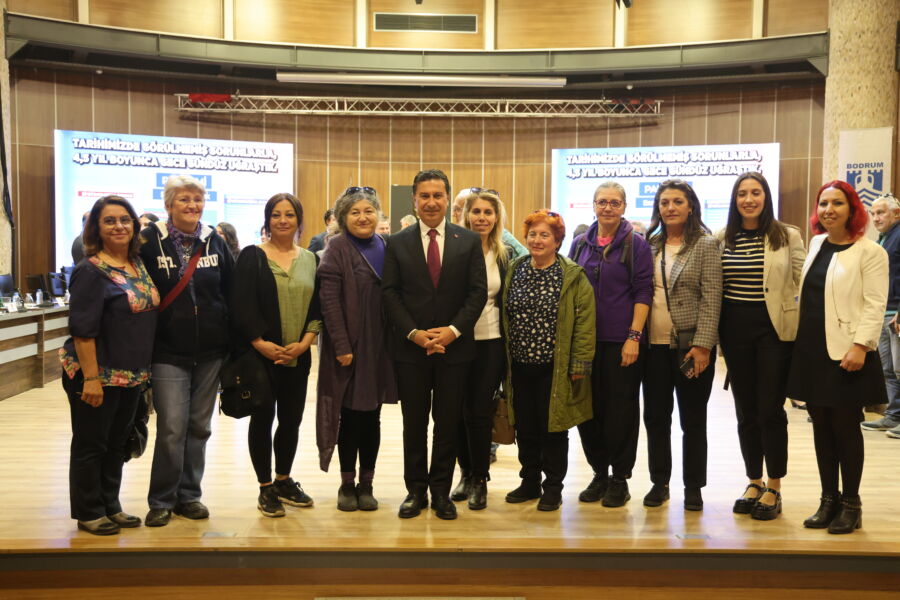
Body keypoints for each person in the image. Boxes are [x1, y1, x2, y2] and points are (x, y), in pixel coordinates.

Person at [382, 169, 487, 521]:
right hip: (410, 350)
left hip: (455, 350)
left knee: (446, 423)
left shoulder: (468, 241)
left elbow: (476, 294)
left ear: (447, 199)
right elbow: (390, 294)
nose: (430, 202)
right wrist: (414, 333)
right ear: (414, 200)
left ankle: (441, 491)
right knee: (413, 424)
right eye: (424, 196)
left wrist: (453, 331)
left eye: (437, 195)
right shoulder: (396, 242)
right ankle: (415, 491)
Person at [788, 181, 888, 535]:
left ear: (852, 209)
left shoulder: (870, 251)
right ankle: (828, 499)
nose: (829, 209)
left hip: (848, 353)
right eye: (824, 203)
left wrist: (861, 345)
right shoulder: (816, 244)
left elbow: (876, 304)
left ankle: (851, 504)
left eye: (837, 203)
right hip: (812, 349)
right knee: (821, 429)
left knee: (846, 429)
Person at [61, 195, 159, 535]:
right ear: (96, 229)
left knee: (117, 444)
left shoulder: (136, 264)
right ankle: (89, 511)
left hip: (132, 375)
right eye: (110, 221)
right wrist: (91, 379)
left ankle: (110, 504)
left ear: (134, 226)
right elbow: (83, 331)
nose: (119, 226)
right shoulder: (90, 270)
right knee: (92, 444)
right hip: (97, 374)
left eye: (125, 220)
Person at [140, 175, 234, 527]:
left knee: (199, 427)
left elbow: (230, 290)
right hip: (167, 352)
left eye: (197, 198)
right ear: (169, 206)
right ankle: (161, 499)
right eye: (184, 199)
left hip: (211, 352)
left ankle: (189, 496)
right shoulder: (149, 242)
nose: (192, 205)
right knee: (171, 428)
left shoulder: (214, 241)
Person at [717, 172, 805, 521]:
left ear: (766, 197)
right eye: (742, 194)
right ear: (735, 200)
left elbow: (803, 280)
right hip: (735, 331)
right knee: (745, 411)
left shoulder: (787, 235)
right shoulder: (723, 237)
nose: (749, 199)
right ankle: (753, 481)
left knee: (770, 410)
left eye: (755, 193)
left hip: (773, 332)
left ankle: (774, 485)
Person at [231, 193, 322, 517]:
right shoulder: (252, 256)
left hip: (298, 355)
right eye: (276, 215)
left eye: (289, 215)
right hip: (261, 356)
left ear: (299, 220)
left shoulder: (311, 259)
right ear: (267, 220)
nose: (283, 220)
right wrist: (260, 343)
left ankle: (284, 480)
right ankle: (265, 487)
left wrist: (306, 341)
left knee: (292, 421)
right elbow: (241, 305)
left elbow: (318, 307)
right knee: (263, 417)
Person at [502, 209, 595, 511]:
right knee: (525, 427)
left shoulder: (571, 275)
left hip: (555, 369)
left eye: (545, 235)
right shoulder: (515, 269)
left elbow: (584, 323)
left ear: (557, 240)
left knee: (554, 427)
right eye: (532, 234)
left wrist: (579, 365)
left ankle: (552, 487)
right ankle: (529, 481)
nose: (537, 240)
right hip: (519, 366)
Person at [569, 182, 653, 508]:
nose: (608, 207)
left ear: (624, 206)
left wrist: (634, 337)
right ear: (593, 205)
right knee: (588, 412)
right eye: (602, 202)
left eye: (614, 202)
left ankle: (620, 478)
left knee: (621, 412)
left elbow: (643, 292)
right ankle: (599, 473)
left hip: (622, 343)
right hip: (585, 343)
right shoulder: (579, 245)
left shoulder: (637, 245)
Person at [641, 179, 722, 512]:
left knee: (693, 420)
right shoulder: (649, 244)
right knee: (656, 418)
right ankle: (659, 483)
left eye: (677, 201)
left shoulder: (705, 244)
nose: (670, 208)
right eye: (664, 202)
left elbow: (712, 297)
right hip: (653, 348)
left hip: (691, 349)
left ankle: (693, 487)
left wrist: (703, 346)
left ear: (690, 206)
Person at [317, 186, 397, 512]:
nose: (363, 217)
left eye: (368, 211)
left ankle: (368, 484)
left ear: (378, 214)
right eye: (355, 212)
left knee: (373, 418)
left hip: (380, 348)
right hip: (349, 348)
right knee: (349, 417)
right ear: (343, 218)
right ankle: (346, 484)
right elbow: (329, 302)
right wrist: (340, 345)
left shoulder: (386, 246)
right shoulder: (337, 248)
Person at [450, 190, 510, 510]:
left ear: (496, 218)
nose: (482, 217)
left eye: (488, 212)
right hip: (456, 341)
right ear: (466, 215)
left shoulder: (504, 254)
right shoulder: (454, 251)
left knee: (478, 411)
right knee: (458, 411)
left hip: (491, 342)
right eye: (477, 212)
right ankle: (464, 473)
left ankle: (480, 478)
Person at [862, 194, 900, 437]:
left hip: (897, 313)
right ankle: (893, 416)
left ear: (896, 214)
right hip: (884, 313)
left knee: (899, 369)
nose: (875, 218)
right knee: (888, 369)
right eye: (873, 213)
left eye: (881, 213)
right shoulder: (884, 238)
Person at [452, 187, 527, 259]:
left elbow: (525, 255)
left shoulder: (504, 248)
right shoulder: (454, 247)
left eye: (458, 209)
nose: (453, 214)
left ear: (496, 217)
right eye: (476, 212)